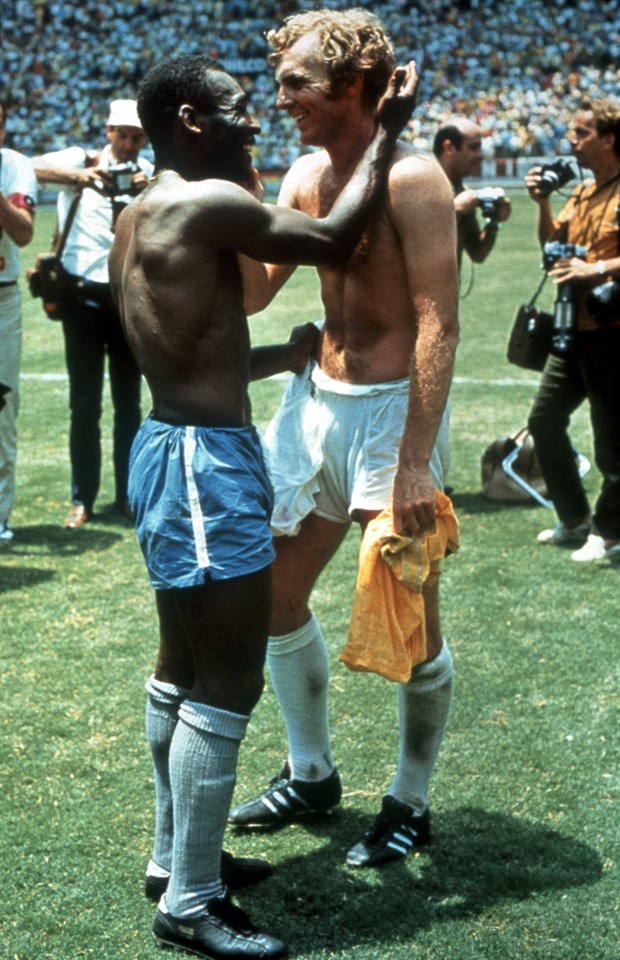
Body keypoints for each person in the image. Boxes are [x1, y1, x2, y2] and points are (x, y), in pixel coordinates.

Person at [108, 54, 418, 959]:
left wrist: (276, 360)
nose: (259, 120)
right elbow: (331, 238)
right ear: (193, 121)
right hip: (207, 467)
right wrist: (391, 129)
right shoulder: (209, 205)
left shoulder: (139, 213)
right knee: (228, 680)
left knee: (179, 662)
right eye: (240, 109)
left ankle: (174, 861)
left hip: (173, 447)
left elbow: (182, 349)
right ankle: (191, 904)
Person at [229, 9, 459, 871]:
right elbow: (255, 296)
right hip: (316, 406)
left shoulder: (413, 178)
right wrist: (229, 184)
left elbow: (439, 324)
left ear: (353, 86)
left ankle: (410, 800)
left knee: (411, 618)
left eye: (296, 83)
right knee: (278, 598)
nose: (281, 97)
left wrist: (411, 458)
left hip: (392, 415)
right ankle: (313, 773)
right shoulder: (301, 174)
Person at [32, 100, 153, 529]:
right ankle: (82, 497)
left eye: (136, 136)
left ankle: (127, 495)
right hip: (81, 297)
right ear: (107, 130)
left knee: (129, 404)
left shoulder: (150, 173)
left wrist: (147, 187)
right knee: (84, 404)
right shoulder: (80, 160)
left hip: (126, 298)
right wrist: (79, 177)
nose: (128, 143)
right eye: (121, 133)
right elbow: (28, 168)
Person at [524, 98, 620, 563]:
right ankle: (574, 516)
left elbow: (591, 263)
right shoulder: (582, 192)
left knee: (612, 442)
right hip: (573, 330)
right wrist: (543, 203)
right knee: (544, 420)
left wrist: (596, 269)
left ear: (609, 139)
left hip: (611, 331)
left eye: (581, 134)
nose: (572, 143)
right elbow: (553, 244)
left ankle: (609, 531)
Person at [0, 99, 37, 542]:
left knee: (3, 408)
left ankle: (0, 515)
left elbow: (25, 232)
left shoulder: (14, 166)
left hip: (2, 295)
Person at [433, 117, 511, 271]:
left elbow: (478, 253)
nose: (480, 155)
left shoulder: (462, 191)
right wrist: (455, 209)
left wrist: (493, 222)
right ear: (449, 147)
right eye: (473, 148)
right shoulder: (420, 184)